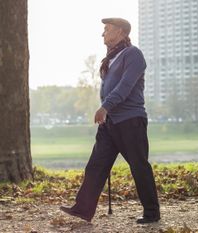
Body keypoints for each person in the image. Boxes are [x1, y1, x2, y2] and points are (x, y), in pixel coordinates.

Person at [60, 17, 160, 224]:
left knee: (139, 165)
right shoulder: (110, 58)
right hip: (111, 123)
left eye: (107, 29)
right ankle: (83, 209)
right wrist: (107, 111)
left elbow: (125, 86)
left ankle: (152, 213)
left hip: (131, 121)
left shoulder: (133, 55)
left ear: (121, 32)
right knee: (96, 165)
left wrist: (105, 107)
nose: (103, 33)